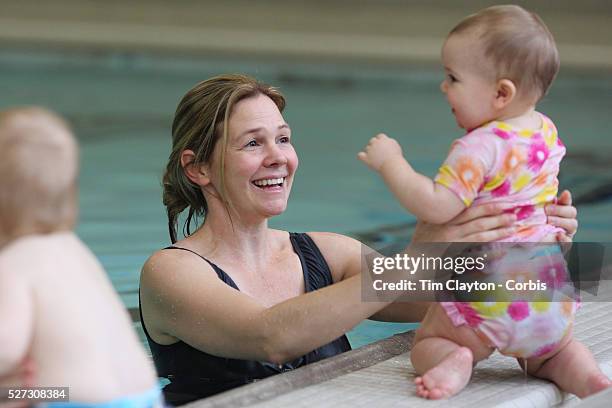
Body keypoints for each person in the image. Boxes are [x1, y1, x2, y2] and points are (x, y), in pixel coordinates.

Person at [139, 74, 578, 405]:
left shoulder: (328, 253)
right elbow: (271, 337)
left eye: (284, 139)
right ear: (197, 168)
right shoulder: (171, 272)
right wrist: (416, 256)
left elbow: (459, 297)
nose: (279, 158)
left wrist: (542, 247)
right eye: (253, 143)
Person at [358, 5, 611, 400]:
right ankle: (580, 371)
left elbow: (437, 207)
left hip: (488, 292)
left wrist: (392, 163)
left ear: (501, 93)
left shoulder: (476, 148)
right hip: (549, 293)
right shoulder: (545, 130)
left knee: (426, 343)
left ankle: (455, 360)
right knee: (552, 353)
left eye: (453, 78)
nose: (444, 87)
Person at [0, 108, 161, 407]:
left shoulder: (14, 262)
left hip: (76, 401)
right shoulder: (75, 250)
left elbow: (5, 350)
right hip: (147, 397)